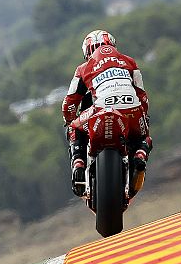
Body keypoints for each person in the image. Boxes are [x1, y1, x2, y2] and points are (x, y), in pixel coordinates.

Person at [62, 30, 152, 197]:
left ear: (86, 52)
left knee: (73, 127)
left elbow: (69, 103)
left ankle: (78, 164)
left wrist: (70, 120)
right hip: (131, 110)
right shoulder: (130, 62)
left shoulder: (83, 69)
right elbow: (142, 96)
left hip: (100, 109)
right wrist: (143, 116)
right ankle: (140, 155)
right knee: (145, 137)